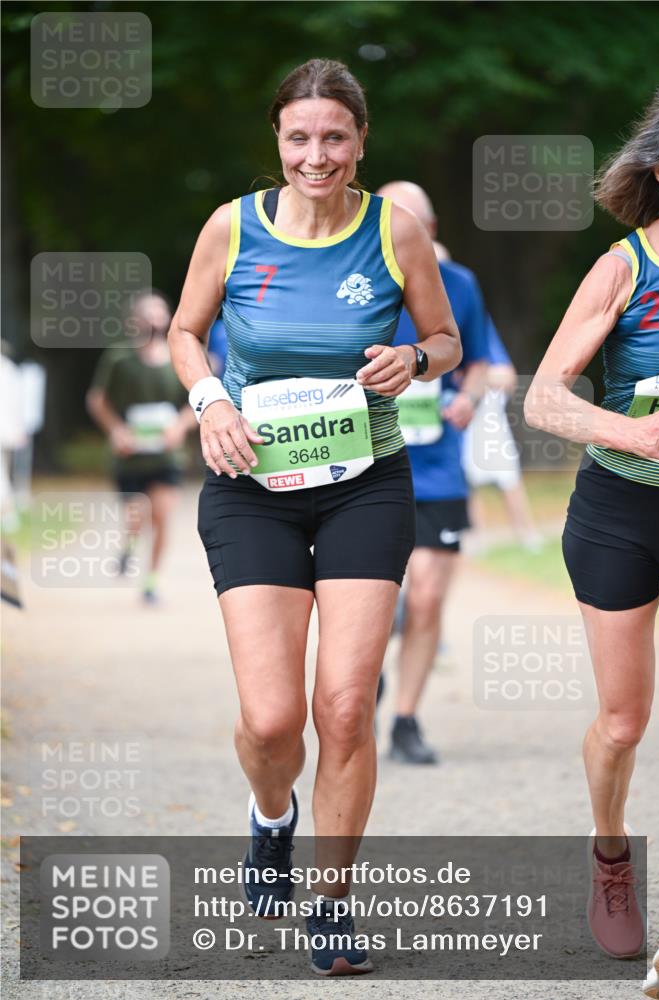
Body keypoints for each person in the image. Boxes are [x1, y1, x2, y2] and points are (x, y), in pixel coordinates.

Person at [168, 59, 461, 976]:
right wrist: (212, 401)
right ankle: (271, 815)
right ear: (278, 140)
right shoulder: (233, 227)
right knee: (270, 721)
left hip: (364, 483)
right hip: (251, 483)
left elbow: (445, 338)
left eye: (334, 136)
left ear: (361, 141)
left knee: (342, 706)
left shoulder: (394, 229)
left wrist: (415, 360)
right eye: (299, 137)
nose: (316, 155)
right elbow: (184, 332)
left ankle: (330, 904)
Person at [525, 84, 659, 961]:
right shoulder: (624, 267)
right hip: (623, 504)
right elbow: (543, 399)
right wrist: (635, 433)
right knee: (622, 722)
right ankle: (610, 855)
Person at [376, 181, 488, 764]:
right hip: (364, 465)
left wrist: (468, 397)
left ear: (433, 230)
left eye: (416, 224)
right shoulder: (352, 280)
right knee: (368, 601)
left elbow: (480, 362)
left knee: (426, 597)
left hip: (438, 469)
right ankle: (363, 676)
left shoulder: (459, 284)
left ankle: (405, 720)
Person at [87, 290, 196, 603]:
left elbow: (196, 403)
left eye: (159, 313)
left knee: (161, 516)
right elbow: (97, 400)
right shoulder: (119, 358)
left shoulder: (178, 357)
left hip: (166, 456)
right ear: (135, 320)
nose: (154, 320)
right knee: (136, 517)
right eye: (148, 314)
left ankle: (151, 581)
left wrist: (179, 427)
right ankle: (130, 546)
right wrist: (117, 431)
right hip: (130, 456)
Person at [463, 318, 543, 552]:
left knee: (510, 480)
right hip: (462, 422)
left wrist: (474, 377)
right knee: (468, 483)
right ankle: (477, 538)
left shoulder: (481, 328)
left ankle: (527, 534)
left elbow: (507, 377)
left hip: (490, 420)